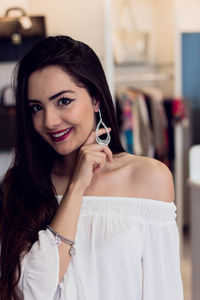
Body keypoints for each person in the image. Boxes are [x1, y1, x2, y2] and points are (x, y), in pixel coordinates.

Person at [0, 35, 183, 300]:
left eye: (63, 101)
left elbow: (163, 291)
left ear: (95, 99)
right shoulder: (20, 184)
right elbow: (29, 293)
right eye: (36, 108)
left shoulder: (148, 178)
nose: (50, 121)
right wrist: (76, 187)